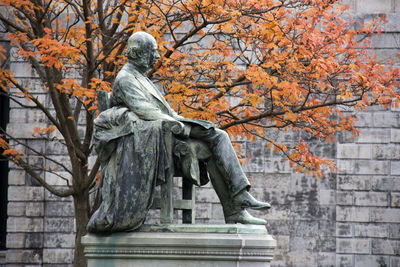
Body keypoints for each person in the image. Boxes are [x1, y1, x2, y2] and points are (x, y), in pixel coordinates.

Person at [87, 32, 270, 233]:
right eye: (153, 52)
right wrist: (181, 126)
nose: (157, 57)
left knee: (219, 136)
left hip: (168, 134)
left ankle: (237, 205)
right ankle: (237, 204)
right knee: (216, 138)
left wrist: (180, 121)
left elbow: (166, 110)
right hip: (158, 143)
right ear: (139, 53)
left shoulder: (142, 78)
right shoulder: (126, 79)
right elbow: (146, 112)